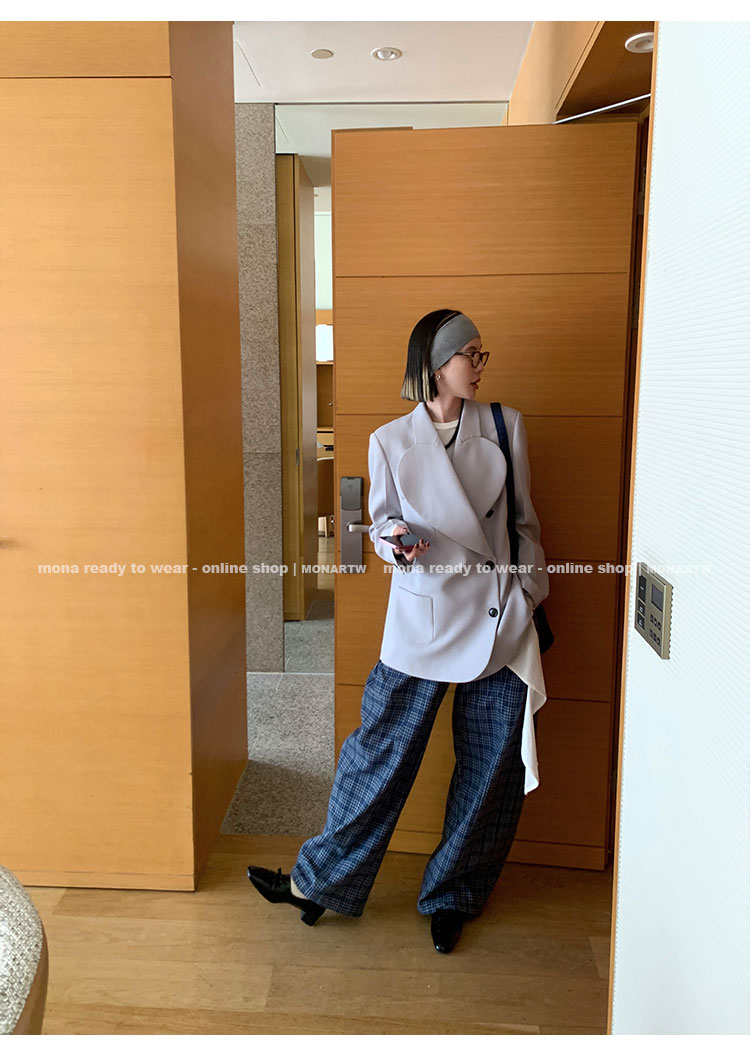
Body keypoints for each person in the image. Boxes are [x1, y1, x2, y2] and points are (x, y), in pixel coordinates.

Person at [247, 308, 549, 954]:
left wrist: (528, 594)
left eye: (481, 354)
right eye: (470, 353)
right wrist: (395, 542)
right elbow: (381, 522)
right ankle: (318, 882)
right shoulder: (389, 440)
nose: (479, 365)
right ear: (435, 365)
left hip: (498, 619)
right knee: (379, 753)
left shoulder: (505, 425)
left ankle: (453, 893)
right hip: (424, 617)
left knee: (491, 766)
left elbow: (524, 524)